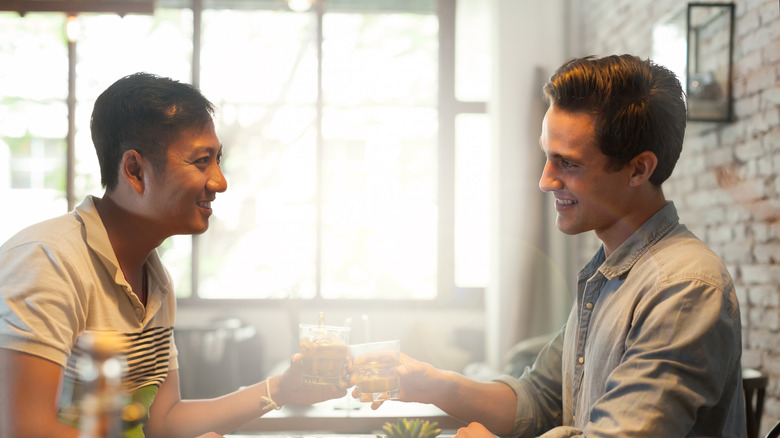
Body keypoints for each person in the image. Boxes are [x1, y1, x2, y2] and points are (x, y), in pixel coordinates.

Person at [362, 54, 746, 437]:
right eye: (548, 156)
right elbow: (539, 400)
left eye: (569, 164)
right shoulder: (607, 272)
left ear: (638, 169)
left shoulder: (682, 289)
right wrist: (431, 384)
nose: (545, 181)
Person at [0, 72, 346, 438]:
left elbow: (164, 420)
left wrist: (282, 390)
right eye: (201, 161)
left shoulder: (155, 279)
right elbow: (25, 429)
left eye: (218, 160)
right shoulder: (47, 260)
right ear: (135, 170)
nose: (220, 182)